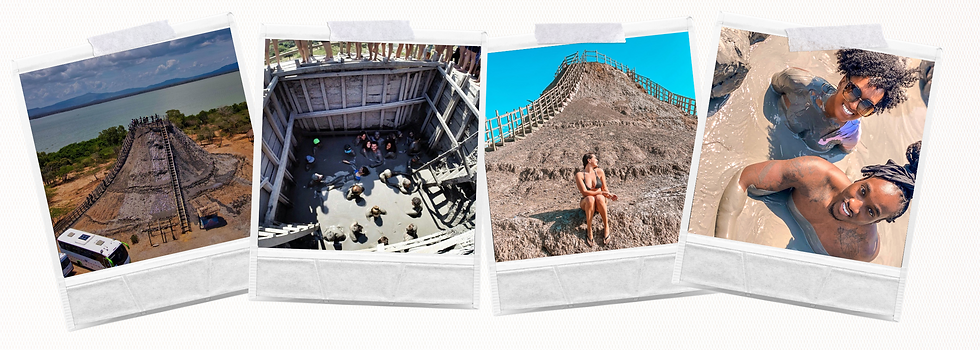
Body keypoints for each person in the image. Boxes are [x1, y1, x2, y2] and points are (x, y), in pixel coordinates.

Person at [715, 141, 920, 262]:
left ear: (878, 222)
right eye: (863, 190)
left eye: (872, 212)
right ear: (862, 178)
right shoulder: (813, 173)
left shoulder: (863, 250)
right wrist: (722, 247)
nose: (854, 204)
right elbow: (744, 179)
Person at [771, 49, 917, 153]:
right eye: (854, 91)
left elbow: (841, 155)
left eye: (865, 105)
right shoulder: (798, 82)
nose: (854, 105)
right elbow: (772, 88)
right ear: (842, 82)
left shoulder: (850, 135)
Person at [574, 153, 618, 246]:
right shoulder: (580, 175)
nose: (597, 160)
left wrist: (609, 195)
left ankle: (606, 227)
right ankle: (589, 229)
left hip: (600, 200)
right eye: (595, 158)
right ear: (589, 160)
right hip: (587, 202)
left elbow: (604, 188)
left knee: (599, 198)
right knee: (590, 198)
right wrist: (601, 192)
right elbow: (585, 192)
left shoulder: (600, 172)